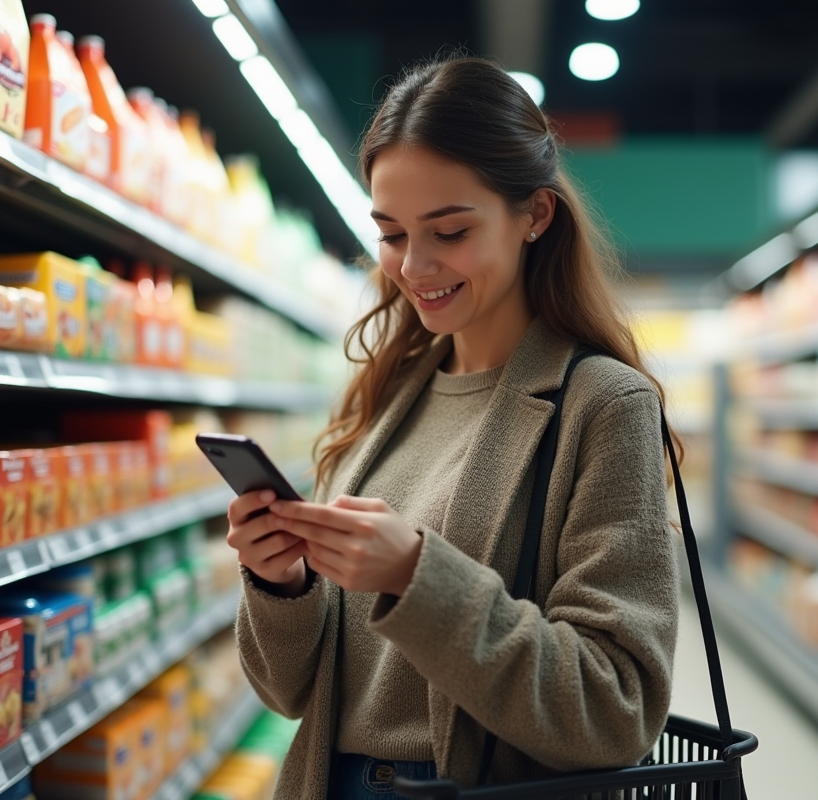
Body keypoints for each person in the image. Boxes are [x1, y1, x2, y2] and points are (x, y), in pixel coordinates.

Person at [227, 55, 680, 800]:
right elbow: (292, 695)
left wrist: (416, 576)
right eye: (392, 233)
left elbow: (615, 707)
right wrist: (282, 583)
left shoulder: (603, 404)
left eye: (449, 230)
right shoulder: (388, 397)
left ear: (534, 215)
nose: (415, 265)